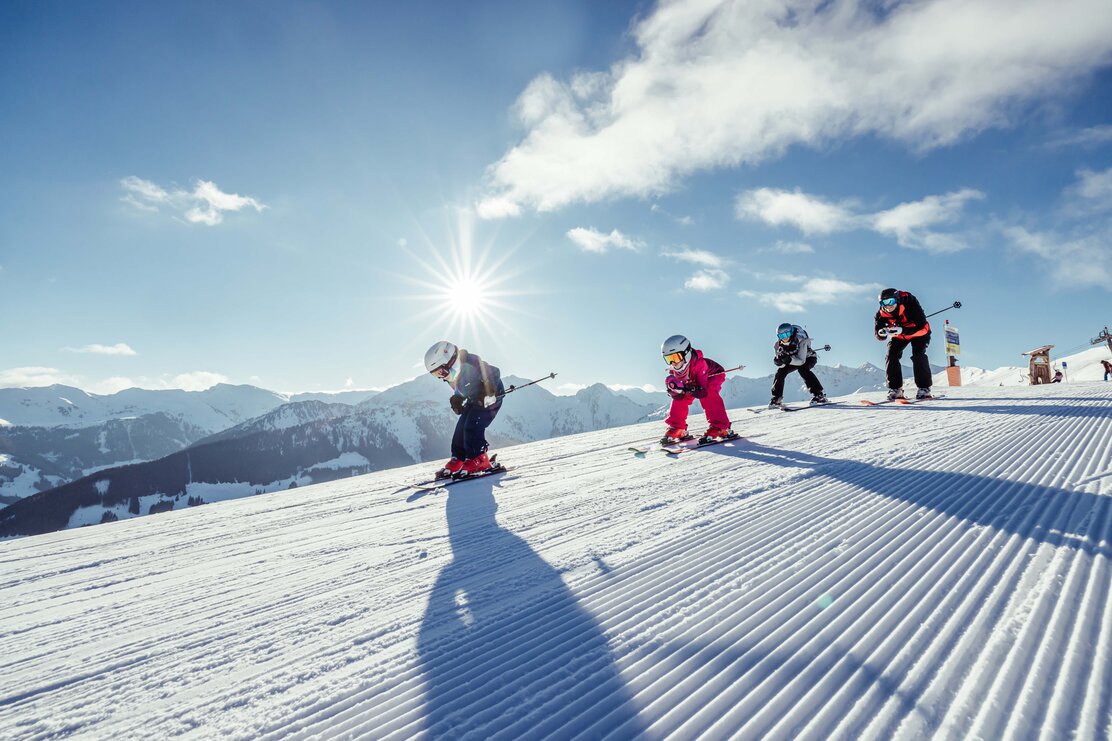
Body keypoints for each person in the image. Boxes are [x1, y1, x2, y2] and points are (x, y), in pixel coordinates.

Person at [424, 340, 505, 478]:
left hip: (490, 399)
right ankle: (459, 459)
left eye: (441, 371)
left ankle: (479, 459)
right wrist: (458, 399)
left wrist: (489, 390)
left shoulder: (471, 362)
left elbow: (494, 372)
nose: (441, 376)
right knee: (460, 428)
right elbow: (461, 389)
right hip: (474, 400)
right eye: (436, 374)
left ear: (450, 360)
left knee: (472, 426)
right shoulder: (452, 375)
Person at [661, 334, 734, 444]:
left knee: (709, 394)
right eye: (669, 359)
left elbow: (702, 391)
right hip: (694, 382)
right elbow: (680, 396)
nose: (673, 362)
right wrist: (674, 391)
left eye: (675, 357)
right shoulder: (675, 370)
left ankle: (721, 427)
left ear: (686, 353)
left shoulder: (699, 364)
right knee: (680, 399)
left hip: (712, 375)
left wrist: (685, 389)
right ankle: (678, 428)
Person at [874, 287, 933, 400]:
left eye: (891, 301)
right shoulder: (881, 315)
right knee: (891, 354)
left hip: (918, 333)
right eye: (883, 303)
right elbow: (878, 334)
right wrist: (881, 333)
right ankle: (895, 389)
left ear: (897, 300)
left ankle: (924, 388)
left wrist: (902, 330)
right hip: (900, 335)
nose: (888, 306)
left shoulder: (911, 305)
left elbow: (923, 327)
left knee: (918, 355)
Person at [770, 323, 828, 407]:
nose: (785, 338)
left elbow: (801, 361)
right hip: (792, 360)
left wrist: (788, 360)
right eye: (782, 336)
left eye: (787, 334)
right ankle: (777, 398)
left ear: (792, 333)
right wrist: (779, 362)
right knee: (780, 372)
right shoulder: (777, 346)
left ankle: (819, 395)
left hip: (808, 357)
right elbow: (782, 366)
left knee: (803, 369)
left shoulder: (801, 340)